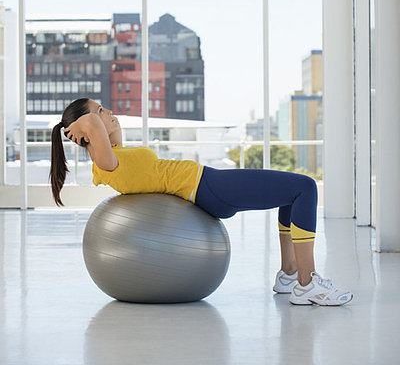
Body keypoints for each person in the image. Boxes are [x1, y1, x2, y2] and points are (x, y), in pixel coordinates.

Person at [50, 97, 353, 307]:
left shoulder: (114, 156)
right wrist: (83, 124)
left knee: (292, 193)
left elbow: (101, 131)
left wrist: (101, 123)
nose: (108, 112)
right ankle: (307, 282)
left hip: (206, 184)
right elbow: (90, 124)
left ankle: (290, 274)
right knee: (305, 187)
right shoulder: (103, 163)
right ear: (85, 132)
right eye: (100, 110)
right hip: (206, 186)